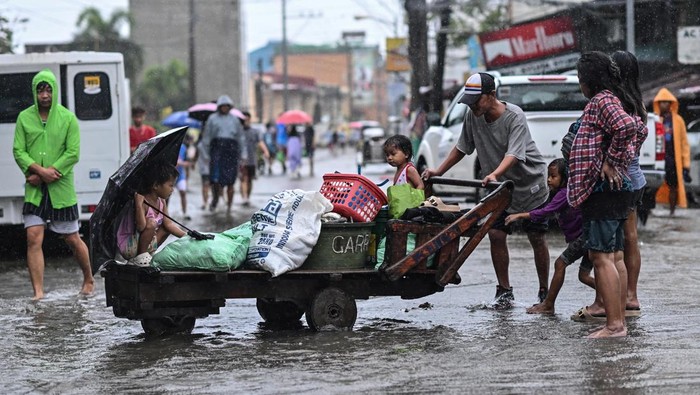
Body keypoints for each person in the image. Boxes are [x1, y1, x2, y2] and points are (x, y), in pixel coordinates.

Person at [422, 72, 550, 307]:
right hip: (501, 189)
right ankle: (504, 290)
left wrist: (494, 173)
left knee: (536, 237)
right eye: (468, 102)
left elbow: (513, 154)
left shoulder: (514, 117)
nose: (471, 106)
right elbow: (462, 147)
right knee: (495, 234)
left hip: (529, 184)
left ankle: (544, 289)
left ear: (492, 95)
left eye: (476, 100)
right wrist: (438, 171)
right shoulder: (473, 116)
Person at [568, 51, 647, 338]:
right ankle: (617, 320)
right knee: (612, 256)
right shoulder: (619, 98)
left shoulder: (602, 100)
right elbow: (638, 128)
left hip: (603, 190)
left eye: (580, 79)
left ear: (588, 81)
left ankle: (614, 325)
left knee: (602, 257)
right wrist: (615, 157)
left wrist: (612, 160)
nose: (580, 84)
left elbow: (628, 128)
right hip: (612, 190)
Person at [12, 69, 94, 300]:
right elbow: (18, 151)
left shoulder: (67, 118)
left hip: (61, 187)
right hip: (35, 188)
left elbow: (73, 153)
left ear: (54, 91)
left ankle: (88, 278)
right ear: (34, 93)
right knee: (33, 237)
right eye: (40, 90)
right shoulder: (24, 118)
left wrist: (51, 173)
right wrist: (39, 171)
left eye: (48, 90)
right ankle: (38, 292)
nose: (45, 95)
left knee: (71, 238)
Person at [505, 159, 594, 314]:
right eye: (548, 176)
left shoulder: (564, 193)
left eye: (553, 176)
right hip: (586, 235)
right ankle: (614, 295)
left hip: (583, 237)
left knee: (560, 264)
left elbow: (545, 212)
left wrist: (519, 215)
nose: (548, 180)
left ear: (564, 178)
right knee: (584, 276)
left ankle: (548, 305)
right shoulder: (564, 192)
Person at [117, 163, 187, 266]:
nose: (172, 189)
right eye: (170, 185)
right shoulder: (143, 202)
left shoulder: (161, 201)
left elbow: (169, 224)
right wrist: (138, 205)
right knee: (151, 223)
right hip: (130, 246)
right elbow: (141, 227)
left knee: (165, 228)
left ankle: (147, 253)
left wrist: (188, 236)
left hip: (143, 244)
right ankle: (141, 256)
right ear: (155, 185)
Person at [202, 95, 246, 214]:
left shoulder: (235, 120)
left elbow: (241, 138)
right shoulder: (212, 119)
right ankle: (215, 198)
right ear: (219, 107)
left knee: (231, 181)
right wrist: (205, 154)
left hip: (231, 151)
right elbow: (206, 137)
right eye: (223, 106)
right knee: (215, 178)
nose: (225, 108)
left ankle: (229, 207)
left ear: (230, 107)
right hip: (217, 150)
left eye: (227, 106)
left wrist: (244, 154)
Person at [653, 87, 691, 216]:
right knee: (652, 186)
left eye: (666, 102)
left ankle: (672, 210)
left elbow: (684, 143)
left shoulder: (678, 120)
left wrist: (686, 164)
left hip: (672, 158)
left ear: (671, 103)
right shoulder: (654, 119)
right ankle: (649, 209)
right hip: (658, 158)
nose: (664, 104)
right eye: (661, 102)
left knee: (673, 186)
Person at [240, 111, 270, 206]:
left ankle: (247, 196)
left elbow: (260, 142)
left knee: (249, 179)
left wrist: (265, 151)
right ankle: (244, 197)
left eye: (247, 119)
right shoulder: (238, 132)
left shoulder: (254, 132)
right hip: (241, 160)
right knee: (243, 178)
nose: (246, 121)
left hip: (252, 159)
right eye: (244, 119)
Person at [195, 130, 211, 210]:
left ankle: (205, 202)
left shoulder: (200, 144)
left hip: (205, 168)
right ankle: (206, 202)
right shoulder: (209, 144)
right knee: (207, 186)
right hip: (208, 168)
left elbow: (196, 155)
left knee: (205, 186)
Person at [176, 143, 191, 220]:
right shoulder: (168, 146)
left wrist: (181, 163)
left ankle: (185, 212)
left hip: (180, 175)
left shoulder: (183, 147)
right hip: (168, 175)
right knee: (166, 197)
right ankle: (165, 214)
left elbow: (188, 162)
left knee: (183, 192)